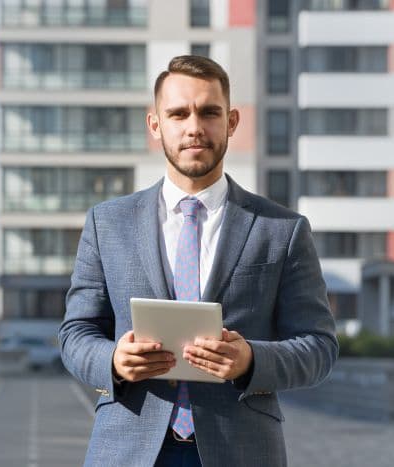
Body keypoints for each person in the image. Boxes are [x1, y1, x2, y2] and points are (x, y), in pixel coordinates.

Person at [59, 55, 338, 467]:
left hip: (241, 450)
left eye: (209, 112)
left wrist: (251, 360)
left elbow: (319, 347)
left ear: (232, 122)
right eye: (178, 113)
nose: (194, 127)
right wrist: (113, 360)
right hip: (127, 449)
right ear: (155, 125)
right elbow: (75, 333)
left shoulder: (282, 229)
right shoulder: (108, 223)